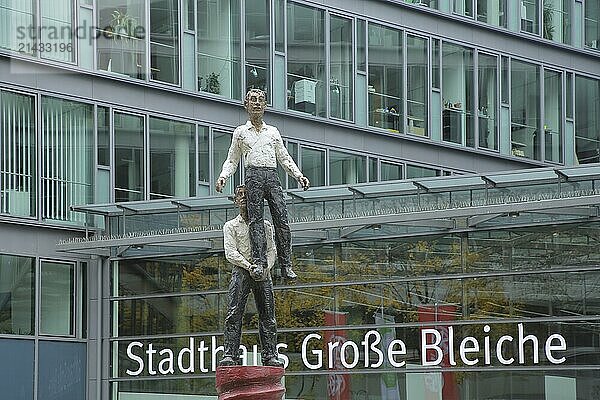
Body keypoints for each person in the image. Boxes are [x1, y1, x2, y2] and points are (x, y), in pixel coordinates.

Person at [216, 88, 310, 280]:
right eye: (253, 100)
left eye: (260, 100)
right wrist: (223, 176)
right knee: (256, 221)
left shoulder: (273, 132)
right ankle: (258, 262)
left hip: (272, 175)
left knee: (282, 221)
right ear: (246, 105)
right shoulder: (241, 132)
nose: (257, 103)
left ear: (265, 106)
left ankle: (286, 265)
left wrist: (299, 176)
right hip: (253, 175)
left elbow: (284, 157)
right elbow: (232, 159)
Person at [220, 185, 282, 367]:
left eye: (248, 195)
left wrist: (265, 268)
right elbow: (230, 252)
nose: (244, 199)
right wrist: (249, 266)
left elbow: (272, 251)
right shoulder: (230, 226)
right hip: (241, 271)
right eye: (240, 196)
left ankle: (270, 354)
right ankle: (230, 354)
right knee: (234, 313)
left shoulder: (265, 226)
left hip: (263, 273)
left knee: (268, 315)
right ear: (236, 201)